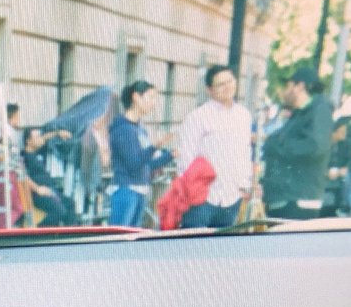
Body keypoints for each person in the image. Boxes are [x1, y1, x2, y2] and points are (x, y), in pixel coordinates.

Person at [174, 65, 253, 228]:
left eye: (230, 81)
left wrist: (245, 184)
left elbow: (245, 152)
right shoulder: (197, 117)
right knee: (195, 243)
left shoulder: (244, 115)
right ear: (209, 90)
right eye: (221, 84)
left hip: (231, 198)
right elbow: (185, 158)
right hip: (202, 199)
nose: (227, 87)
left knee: (222, 242)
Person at [261, 65, 333, 220]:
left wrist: (274, 145)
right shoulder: (299, 113)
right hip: (286, 199)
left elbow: (314, 147)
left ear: (299, 87)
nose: (284, 91)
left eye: (288, 86)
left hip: (298, 201)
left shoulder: (319, 110)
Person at [106, 80, 173, 227]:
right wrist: (155, 146)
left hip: (140, 191)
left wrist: (171, 155)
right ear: (136, 97)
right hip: (126, 190)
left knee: (132, 236)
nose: (154, 103)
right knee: (118, 236)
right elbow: (134, 164)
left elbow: (147, 164)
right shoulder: (123, 128)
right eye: (151, 97)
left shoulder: (140, 129)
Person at [8, 105, 74, 227]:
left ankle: (70, 235)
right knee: (59, 212)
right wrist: (38, 189)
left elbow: (43, 138)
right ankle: (39, 231)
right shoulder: (24, 157)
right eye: (36, 137)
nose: (40, 139)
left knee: (70, 204)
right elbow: (22, 175)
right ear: (28, 141)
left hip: (51, 189)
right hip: (38, 193)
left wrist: (58, 133)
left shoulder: (37, 152)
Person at [325, 118, 351, 215]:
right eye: (342, 131)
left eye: (345, 131)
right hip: (326, 169)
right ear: (333, 132)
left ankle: (344, 206)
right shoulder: (325, 143)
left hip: (341, 170)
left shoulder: (348, 143)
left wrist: (345, 168)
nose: (344, 133)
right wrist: (327, 171)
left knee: (347, 178)